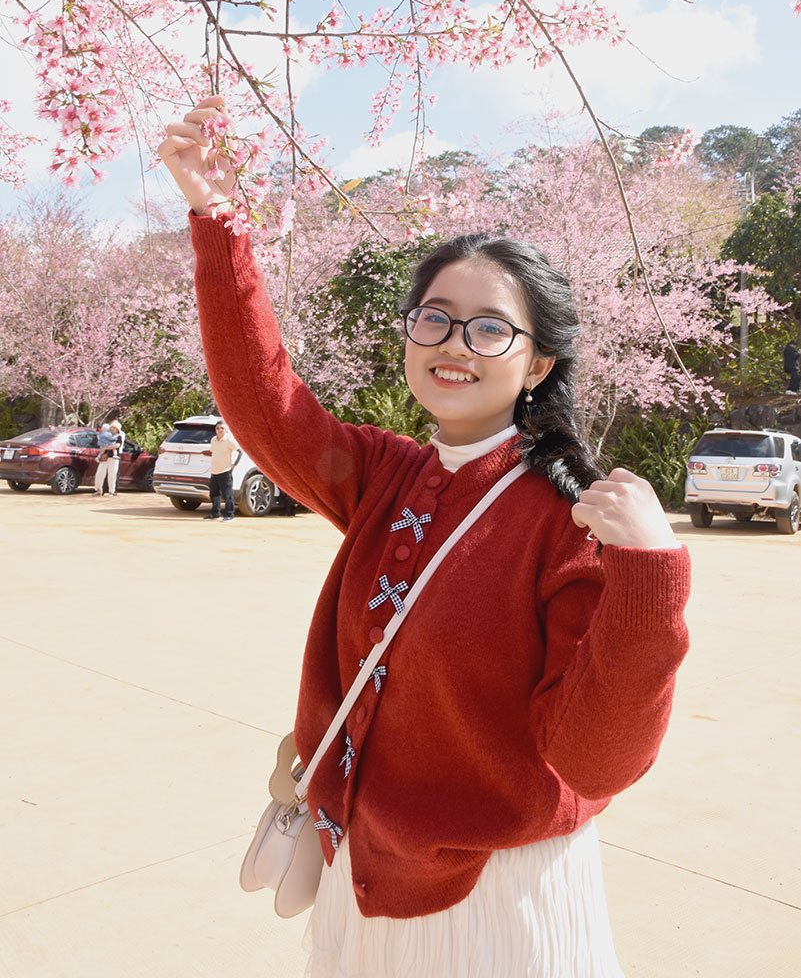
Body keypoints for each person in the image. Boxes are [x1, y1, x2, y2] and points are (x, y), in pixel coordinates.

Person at [158, 96, 690, 978]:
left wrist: (651, 576)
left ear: (538, 362)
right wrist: (221, 226)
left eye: (490, 328)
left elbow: (595, 757)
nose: (454, 343)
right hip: (359, 868)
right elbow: (263, 405)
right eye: (434, 318)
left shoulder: (573, 520)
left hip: (494, 896)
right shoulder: (386, 472)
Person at [206, 419, 238, 521]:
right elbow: (213, 452)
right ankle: (215, 513)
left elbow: (239, 452)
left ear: (226, 429)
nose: (219, 430)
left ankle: (229, 514)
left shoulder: (229, 440)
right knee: (214, 494)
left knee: (227, 494)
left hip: (225, 471)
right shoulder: (213, 440)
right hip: (214, 471)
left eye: (222, 428)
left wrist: (234, 464)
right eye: (217, 428)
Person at [105, 419, 126, 496]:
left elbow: (119, 444)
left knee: (114, 473)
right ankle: (106, 489)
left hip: (117, 453)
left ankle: (114, 490)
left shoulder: (121, 434)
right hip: (109, 453)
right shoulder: (108, 434)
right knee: (107, 471)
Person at [93, 423, 114, 496]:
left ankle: (111, 491)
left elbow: (113, 446)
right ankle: (99, 490)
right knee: (99, 474)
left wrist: (107, 448)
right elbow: (102, 447)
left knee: (111, 475)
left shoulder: (114, 436)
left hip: (112, 457)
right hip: (104, 457)